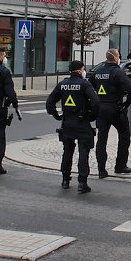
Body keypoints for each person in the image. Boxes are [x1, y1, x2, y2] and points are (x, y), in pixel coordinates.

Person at [47, 60, 100, 193]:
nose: (83, 71)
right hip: (82, 122)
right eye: (83, 69)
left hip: (67, 122)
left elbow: (50, 102)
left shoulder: (62, 84)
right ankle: (82, 182)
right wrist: (91, 117)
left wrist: (57, 115)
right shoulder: (84, 84)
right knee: (84, 151)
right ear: (79, 71)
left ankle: (65, 179)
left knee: (67, 151)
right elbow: (96, 102)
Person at [88, 49, 131, 177]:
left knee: (101, 139)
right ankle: (120, 165)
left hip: (100, 109)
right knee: (124, 135)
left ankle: (101, 169)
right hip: (115, 109)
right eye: (118, 56)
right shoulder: (117, 72)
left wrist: (96, 97)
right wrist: (126, 103)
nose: (119, 58)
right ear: (115, 58)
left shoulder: (98, 72)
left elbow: (89, 86)